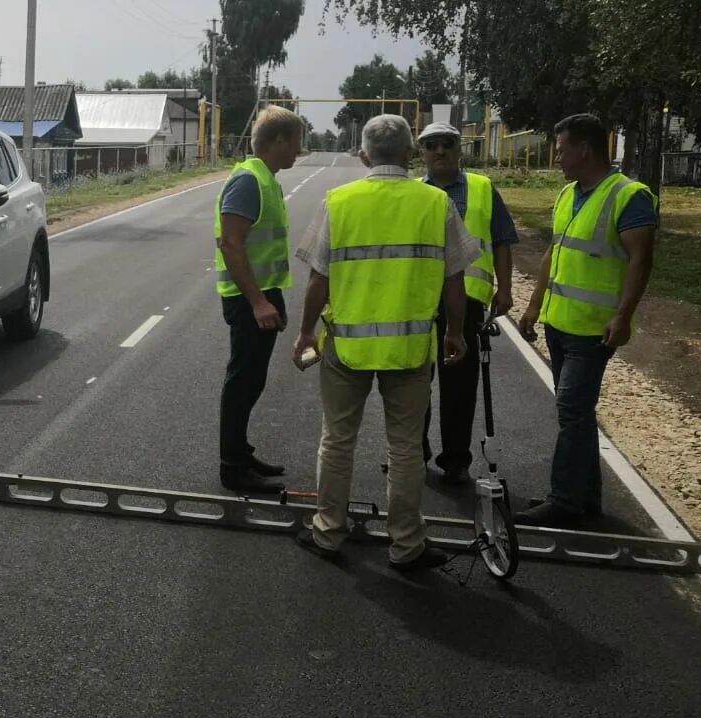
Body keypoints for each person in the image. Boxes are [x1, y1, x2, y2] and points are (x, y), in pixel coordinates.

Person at [291, 114, 479, 570]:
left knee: (337, 441)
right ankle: (407, 543)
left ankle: (329, 531)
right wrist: (454, 331)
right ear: (412, 153)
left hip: (347, 347)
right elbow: (456, 278)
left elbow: (319, 277)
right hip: (410, 348)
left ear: (363, 154)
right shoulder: (436, 204)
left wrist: (305, 332)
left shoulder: (339, 201)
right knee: (406, 447)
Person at [516, 113, 657, 527]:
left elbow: (641, 260)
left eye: (560, 149)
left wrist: (624, 316)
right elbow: (553, 253)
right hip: (560, 323)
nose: (556, 157)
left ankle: (564, 499)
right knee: (575, 411)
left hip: (595, 329)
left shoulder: (630, 196)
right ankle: (587, 498)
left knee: (573, 408)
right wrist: (533, 306)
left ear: (584, 149)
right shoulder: (567, 194)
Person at [417, 122, 518, 483]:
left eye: (446, 144)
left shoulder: (483, 188)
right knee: (415, 382)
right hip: (421, 303)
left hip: (468, 302)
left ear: (460, 150)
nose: (439, 151)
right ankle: (414, 452)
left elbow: (503, 240)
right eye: (431, 145)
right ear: (422, 152)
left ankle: (456, 459)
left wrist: (504, 289)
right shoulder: (414, 193)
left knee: (459, 387)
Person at [215, 106, 305, 494]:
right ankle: (232, 467)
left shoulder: (265, 179)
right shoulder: (249, 181)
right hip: (248, 298)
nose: (298, 152)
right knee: (243, 381)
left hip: (263, 293)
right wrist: (257, 302)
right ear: (280, 140)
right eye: (296, 143)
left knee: (252, 381)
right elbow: (231, 242)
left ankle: (240, 451)